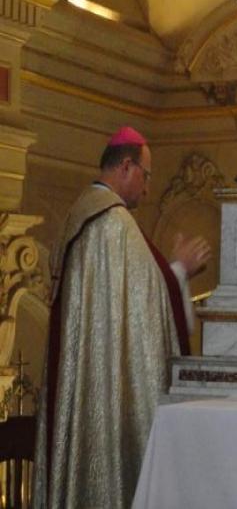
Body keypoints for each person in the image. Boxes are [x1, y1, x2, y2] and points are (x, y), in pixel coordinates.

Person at [32, 126, 210, 509]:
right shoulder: (114, 225)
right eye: (146, 176)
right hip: (105, 388)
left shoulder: (80, 213)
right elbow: (152, 299)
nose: (147, 189)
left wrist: (170, 271)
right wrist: (179, 270)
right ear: (126, 166)